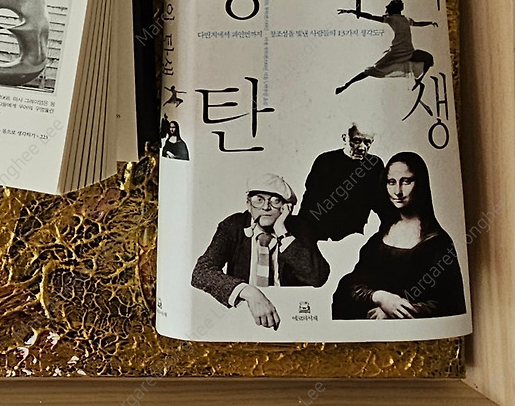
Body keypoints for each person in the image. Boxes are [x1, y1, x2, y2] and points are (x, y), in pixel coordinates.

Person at [332, 151, 466, 319]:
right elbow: (350, 286)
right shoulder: (378, 239)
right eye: (391, 182)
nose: (398, 191)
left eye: (406, 181)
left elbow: (449, 303)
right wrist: (380, 297)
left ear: (421, 184)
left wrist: (393, 312)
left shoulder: (438, 243)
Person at [191, 174, 330, 330]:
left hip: (287, 314)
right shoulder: (233, 226)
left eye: (275, 201)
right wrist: (250, 292)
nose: (266, 207)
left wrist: (282, 232)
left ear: (286, 207)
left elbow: (318, 277)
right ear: (248, 204)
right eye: (259, 200)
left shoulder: (299, 228)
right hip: (245, 313)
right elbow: (201, 272)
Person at [297, 123, 392, 241]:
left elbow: (381, 203)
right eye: (356, 140)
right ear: (345, 138)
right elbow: (309, 200)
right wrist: (301, 235)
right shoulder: (325, 161)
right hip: (318, 233)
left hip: (352, 238)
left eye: (367, 142)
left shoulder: (374, 164)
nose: (362, 148)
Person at [335, 0, 438, 94]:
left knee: (429, 58)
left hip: (408, 51)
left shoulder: (404, 19)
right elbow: (371, 16)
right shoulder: (393, 19)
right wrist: (353, 11)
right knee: (373, 70)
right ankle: (346, 85)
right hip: (398, 51)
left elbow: (418, 23)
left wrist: (430, 22)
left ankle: (418, 79)